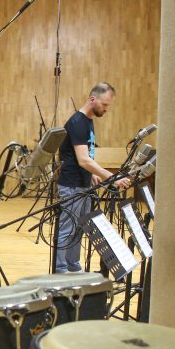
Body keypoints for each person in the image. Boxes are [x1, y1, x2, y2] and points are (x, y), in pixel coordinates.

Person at [54, 82, 130, 273]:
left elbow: (85, 156)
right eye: (104, 105)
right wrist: (111, 178)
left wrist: (93, 175)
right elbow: (83, 160)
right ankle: (61, 270)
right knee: (68, 228)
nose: (106, 109)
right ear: (92, 99)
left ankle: (73, 266)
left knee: (79, 228)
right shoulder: (77, 122)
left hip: (84, 184)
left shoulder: (88, 121)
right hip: (71, 185)